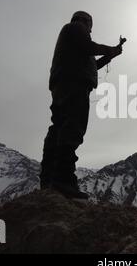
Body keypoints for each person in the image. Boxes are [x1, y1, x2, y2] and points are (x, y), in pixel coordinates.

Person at [40, 11, 125, 199]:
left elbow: (92, 64)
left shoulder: (73, 42)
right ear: (85, 22)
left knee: (59, 129)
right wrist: (110, 49)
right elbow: (89, 47)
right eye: (90, 26)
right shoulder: (76, 28)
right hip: (74, 85)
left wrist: (112, 54)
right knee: (73, 128)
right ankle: (63, 179)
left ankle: (48, 180)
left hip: (64, 84)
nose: (90, 30)